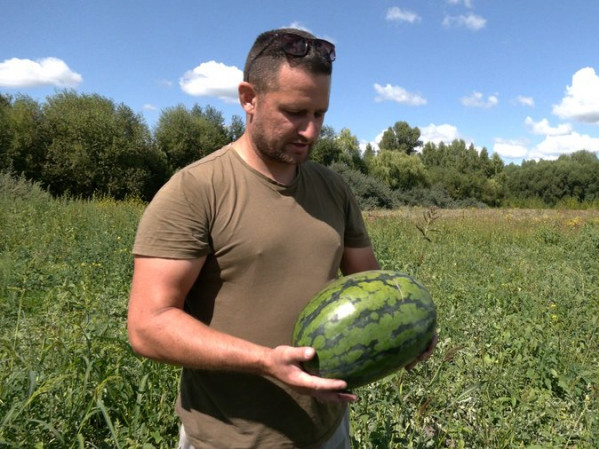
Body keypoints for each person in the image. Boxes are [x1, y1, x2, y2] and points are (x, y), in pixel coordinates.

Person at [127, 28, 434, 449]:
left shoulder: (333, 189)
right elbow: (148, 325)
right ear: (248, 98)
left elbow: (379, 290)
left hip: (327, 432)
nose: (310, 131)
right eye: (294, 112)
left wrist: (410, 332)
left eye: (320, 114)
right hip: (229, 439)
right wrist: (264, 362)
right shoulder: (195, 190)